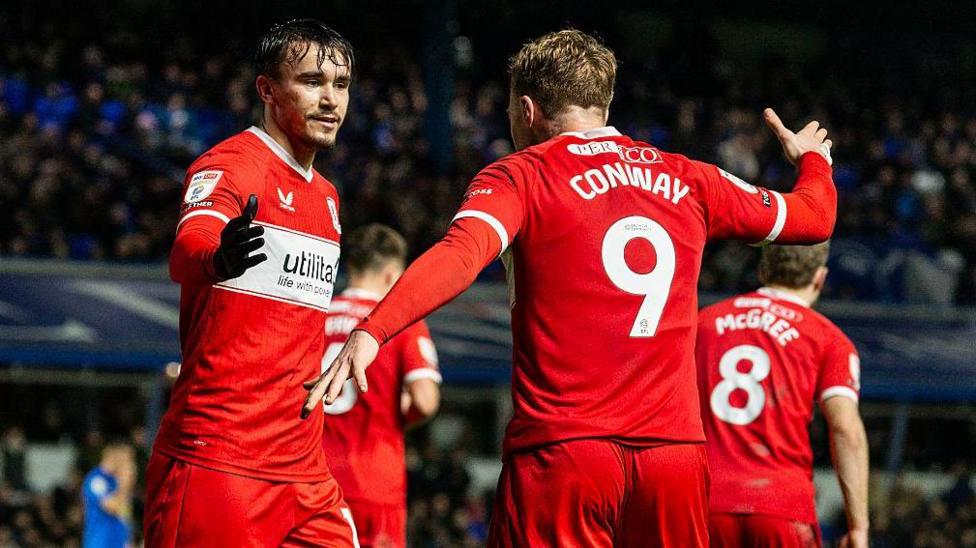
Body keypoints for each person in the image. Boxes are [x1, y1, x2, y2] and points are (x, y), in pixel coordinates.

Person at [305, 29, 837, 546]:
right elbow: (813, 218)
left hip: (564, 453)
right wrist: (813, 160)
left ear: (528, 110)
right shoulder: (690, 178)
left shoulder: (519, 176)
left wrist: (374, 329)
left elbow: (461, 254)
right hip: (672, 460)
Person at [145, 19, 360, 547]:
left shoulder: (328, 197)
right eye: (311, 81)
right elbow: (189, 245)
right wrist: (218, 259)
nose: (330, 99)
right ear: (266, 89)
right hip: (220, 461)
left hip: (305, 471)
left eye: (341, 84)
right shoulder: (230, 165)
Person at [696, 243, 869, 548]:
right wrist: (858, 526)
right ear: (820, 278)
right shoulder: (830, 340)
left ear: (763, 271)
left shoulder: (703, 323)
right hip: (782, 507)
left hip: (703, 502)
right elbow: (845, 429)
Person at [321, 223, 442, 548]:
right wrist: (399, 413)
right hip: (373, 482)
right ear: (392, 276)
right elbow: (426, 399)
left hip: (313, 480)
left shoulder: (314, 317)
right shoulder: (400, 321)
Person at [82, 442, 135, 548]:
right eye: (127, 460)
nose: (130, 466)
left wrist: (127, 541)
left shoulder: (115, 481)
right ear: (113, 456)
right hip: (100, 543)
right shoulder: (96, 480)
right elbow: (111, 506)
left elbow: (124, 513)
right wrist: (125, 483)